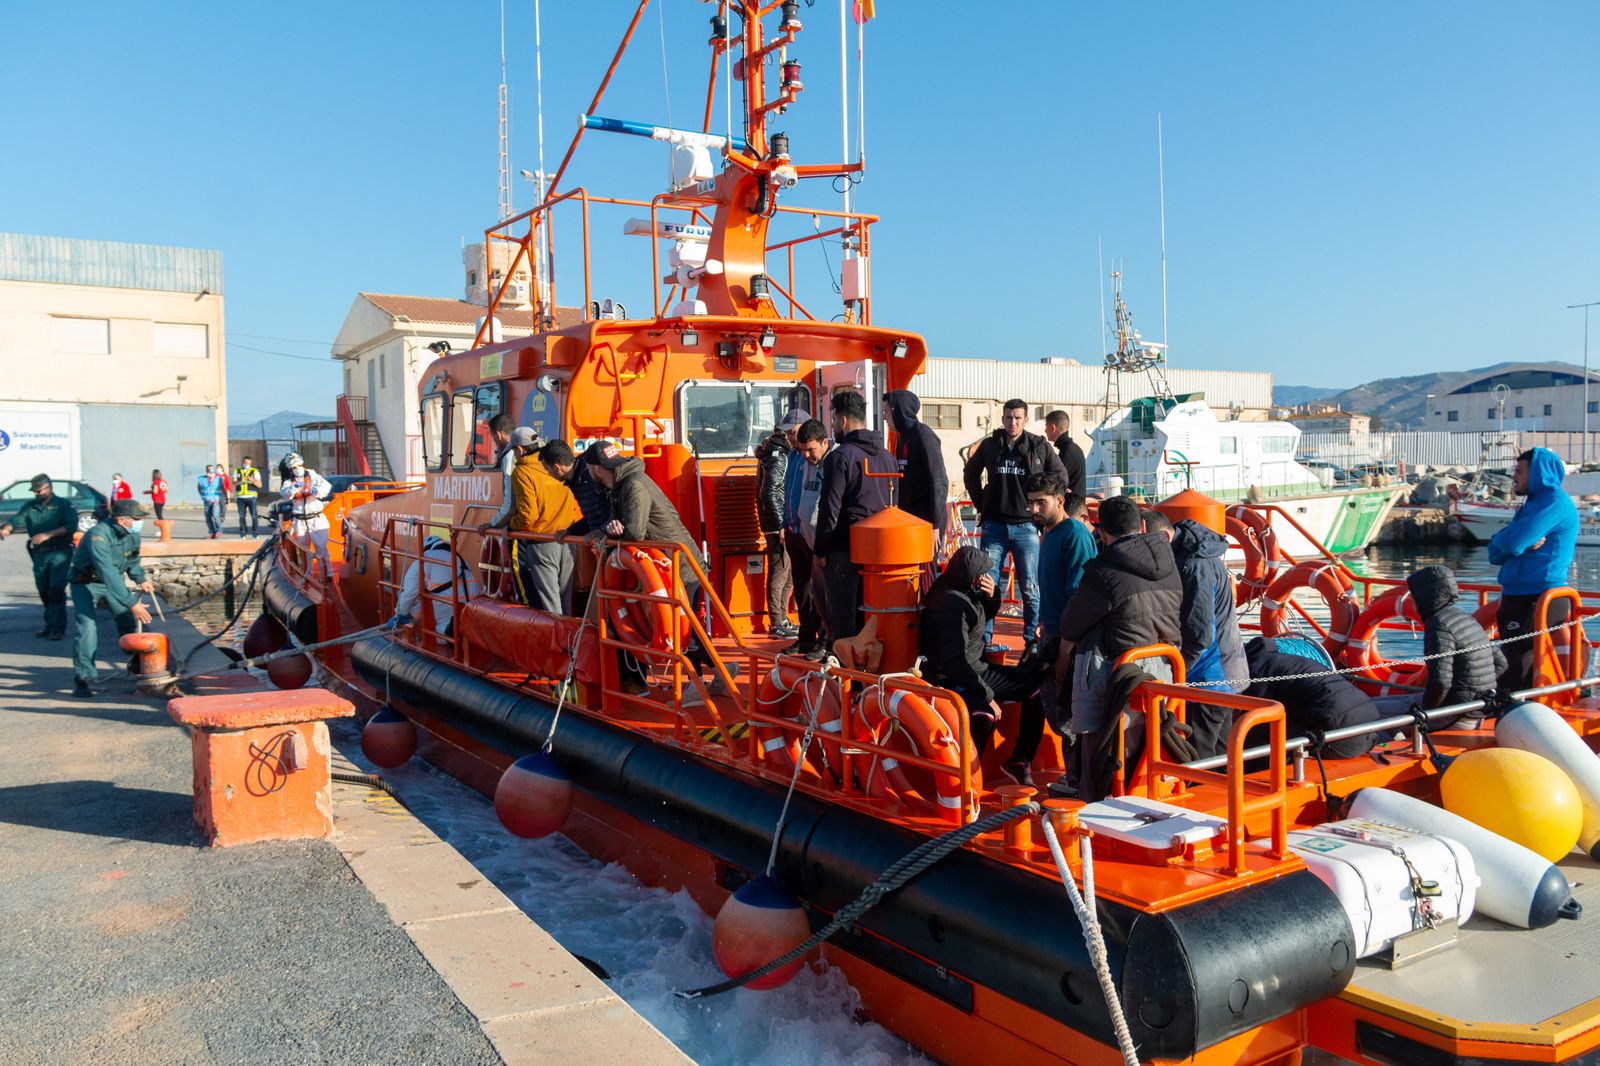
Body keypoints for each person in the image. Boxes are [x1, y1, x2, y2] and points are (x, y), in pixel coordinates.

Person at [1057, 496, 1183, 796]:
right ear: (1142, 525)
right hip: (1165, 670)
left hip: (1117, 677)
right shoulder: (1170, 563)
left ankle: (1097, 821)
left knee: (1103, 757)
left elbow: (1071, 626)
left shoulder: (1102, 573)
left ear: (1101, 533)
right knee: (1150, 750)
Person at [582, 442, 730, 687]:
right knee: (687, 628)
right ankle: (709, 677)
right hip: (671, 564)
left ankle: (711, 676)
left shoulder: (632, 485)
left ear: (596, 468)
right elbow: (617, 523)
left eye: (588, 470)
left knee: (684, 630)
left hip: (679, 565)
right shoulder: (621, 484)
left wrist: (610, 537)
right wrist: (603, 531)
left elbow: (634, 533)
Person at [920, 545, 1047, 786]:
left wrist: (992, 596)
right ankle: (966, 778)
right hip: (952, 676)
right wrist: (986, 694)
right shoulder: (952, 605)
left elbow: (981, 616)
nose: (985, 578)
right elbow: (954, 661)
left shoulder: (958, 589)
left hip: (975, 667)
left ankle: (1019, 760)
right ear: (970, 574)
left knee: (1034, 687)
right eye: (981, 573)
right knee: (983, 713)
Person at [962, 398, 1069, 648]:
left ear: (1026, 420)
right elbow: (971, 474)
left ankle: (1032, 641)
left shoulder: (1038, 446)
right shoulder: (991, 445)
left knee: (1030, 588)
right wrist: (981, 503)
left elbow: (1060, 475)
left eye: (1018, 417)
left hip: (1026, 527)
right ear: (1002, 419)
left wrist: (1043, 505)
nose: (1013, 422)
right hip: (994, 526)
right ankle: (985, 640)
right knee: (986, 585)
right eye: (1009, 417)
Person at [1159, 512, 1249, 758]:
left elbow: (1200, 635)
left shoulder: (1195, 565)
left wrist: (1176, 674)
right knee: (1221, 753)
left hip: (1210, 677)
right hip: (1221, 672)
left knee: (1202, 755)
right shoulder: (1194, 556)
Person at [1489, 447, 1579, 693]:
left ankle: (1513, 721)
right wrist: (1512, 542)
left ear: (1537, 472)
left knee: (1517, 668)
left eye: (1519, 471)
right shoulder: (1531, 506)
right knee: (1512, 662)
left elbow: (1512, 543)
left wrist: (1513, 543)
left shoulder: (1554, 503)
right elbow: (1494, 553)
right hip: (1516, 597)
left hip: (1536, 598)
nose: (1513, 477)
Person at [814, 390, 897, 643]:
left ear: (842, 421)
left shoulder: (839, 457)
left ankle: (848, 678)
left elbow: (830, 509)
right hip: (879, 552)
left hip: (844, 549)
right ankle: (869, 674)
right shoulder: (887, 458)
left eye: (833, 420)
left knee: (844, 618)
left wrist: (820, 550)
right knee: (872, 617)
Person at [1242, 637, 1382, 760]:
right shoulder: (1284, 659)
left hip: (1342, 738)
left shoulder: (1254, 670)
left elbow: (1253, 716)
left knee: (1261, 730)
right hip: (1372, 725)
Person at [69, 499, 154, 698]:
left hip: (111, 580)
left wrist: (140, 578)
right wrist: (132, 602)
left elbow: (132, 559)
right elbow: (107, 571)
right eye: (137, 519)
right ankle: (84, 678)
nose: (140, 522)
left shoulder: (132, 534)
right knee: (87, 626)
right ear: (121, 519)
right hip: (85, 582)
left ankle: (136, 665)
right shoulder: (98, 536)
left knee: (125, 619)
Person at [1408, 564, 1506, 730]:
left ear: (1423, 596)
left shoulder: (1438, 624)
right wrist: (1477, 691)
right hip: (1479, 707)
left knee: (1375, 708)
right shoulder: (1465, 618)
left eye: (1414, 595)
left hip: (1457, 714)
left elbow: (1440, 681)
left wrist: (1429, 712)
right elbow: (1501, 663)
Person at [0, 474, 79, 640]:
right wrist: (6, 529)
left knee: (56, 589)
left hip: (59, 553)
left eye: (40, 490)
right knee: (44, 590)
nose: (38, 494)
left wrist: (48, 534)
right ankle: (49, 624)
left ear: (49, 488)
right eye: (35, 491)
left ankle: (58, 628)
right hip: (39, 555)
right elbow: (16, 520)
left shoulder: (63, 505)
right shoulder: (30, 506)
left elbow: (71, 526)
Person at [511, 439, 578, 612]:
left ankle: (557, 639)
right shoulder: (565, 467)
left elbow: (528, 517)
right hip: (570, 539)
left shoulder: (522, 471)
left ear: (519, 449)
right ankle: (570, 638)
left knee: (550, 602)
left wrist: (511, 525)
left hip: (542, 542)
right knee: (566, 599)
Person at [755, 411, 805, 640]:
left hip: (779, 520)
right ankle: (777, 622)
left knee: (788, 570)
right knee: (780, 569)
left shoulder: (778, 451)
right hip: (778, 523)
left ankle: (782, 618)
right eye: (793, 432)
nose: (795, 437)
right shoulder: (779, 455)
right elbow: (771, 492)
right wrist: (780, 524)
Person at [785, 419, 831, 657]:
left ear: (824, 443)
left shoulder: (833, 462)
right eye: (801, 449)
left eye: (810, 450)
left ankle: (825, 641)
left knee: (823, 593)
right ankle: (806, 638)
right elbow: (792, 491)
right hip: (801, 533)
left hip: (821, 540)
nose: (805, 454)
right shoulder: (800, 459)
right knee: (803, 589)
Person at [884, 390, 950, 550]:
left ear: (897, 412)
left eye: (886, 412)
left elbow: (939, 481)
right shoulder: (902, 438)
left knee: (925, 572)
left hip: (926, 521)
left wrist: (934, 525)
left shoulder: (923, 436)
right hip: (909, 520)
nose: (884, 417)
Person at [393, 533, 480, 637]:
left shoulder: (424, 559)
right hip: (469, 605)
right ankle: (456, 629)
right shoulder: (460, 559)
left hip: (446, 606)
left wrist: (399, 613)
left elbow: (409, 592)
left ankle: (445, 631)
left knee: (436, 632)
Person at [278, 452, 333, 577]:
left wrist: (317, 491)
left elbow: (326, 487)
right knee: (304, 549)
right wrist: (294, 487)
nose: (296, 469)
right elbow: (284, 493)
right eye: (293, 467)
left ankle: (327, 574)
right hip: (300, 520)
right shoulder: (289, 482)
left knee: (321, 548)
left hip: (316, 517)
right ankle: (307, 574)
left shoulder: (314, 476)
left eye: (298, 465)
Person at [476, 415, 522, 534]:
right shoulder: (530, 449)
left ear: (498, 434)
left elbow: (510, 504)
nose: (495, 442)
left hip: (523, 527)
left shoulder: (510, 457)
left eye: (493, 437)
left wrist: (492, 524)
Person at [1043, 410, 1087, 499]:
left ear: (1053, 428)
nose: (1045, 430)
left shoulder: (1067, 452)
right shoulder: (1072, 449)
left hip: (1071, 505)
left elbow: (1054, 481)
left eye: (1046, 426)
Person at [233, 455, 262, 537]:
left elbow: (259, 485)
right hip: (241, 497)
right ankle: (243, 533)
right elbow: (234, 483)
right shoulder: (237, 471)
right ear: (242, 462)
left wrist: (252, 480)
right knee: (241, 516)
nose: (247, 465)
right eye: (245, 463)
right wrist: (240, 481)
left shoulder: (255, 471)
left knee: (254, 516)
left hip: (251, 497)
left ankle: (255, 533)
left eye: (249, 463)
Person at [197, 464, 226, 538]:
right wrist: (203, 495)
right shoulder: (201, 479)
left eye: (212, 469)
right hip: (207, 500)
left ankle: (219, 530)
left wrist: (224, 498)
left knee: (215, 515)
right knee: (207, 517)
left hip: (216, 500)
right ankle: (211, 532)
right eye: (209, 470)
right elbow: (199, 488)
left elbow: (224, 489)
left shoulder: (219, 478)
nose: (211, 471)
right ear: (206, 470)